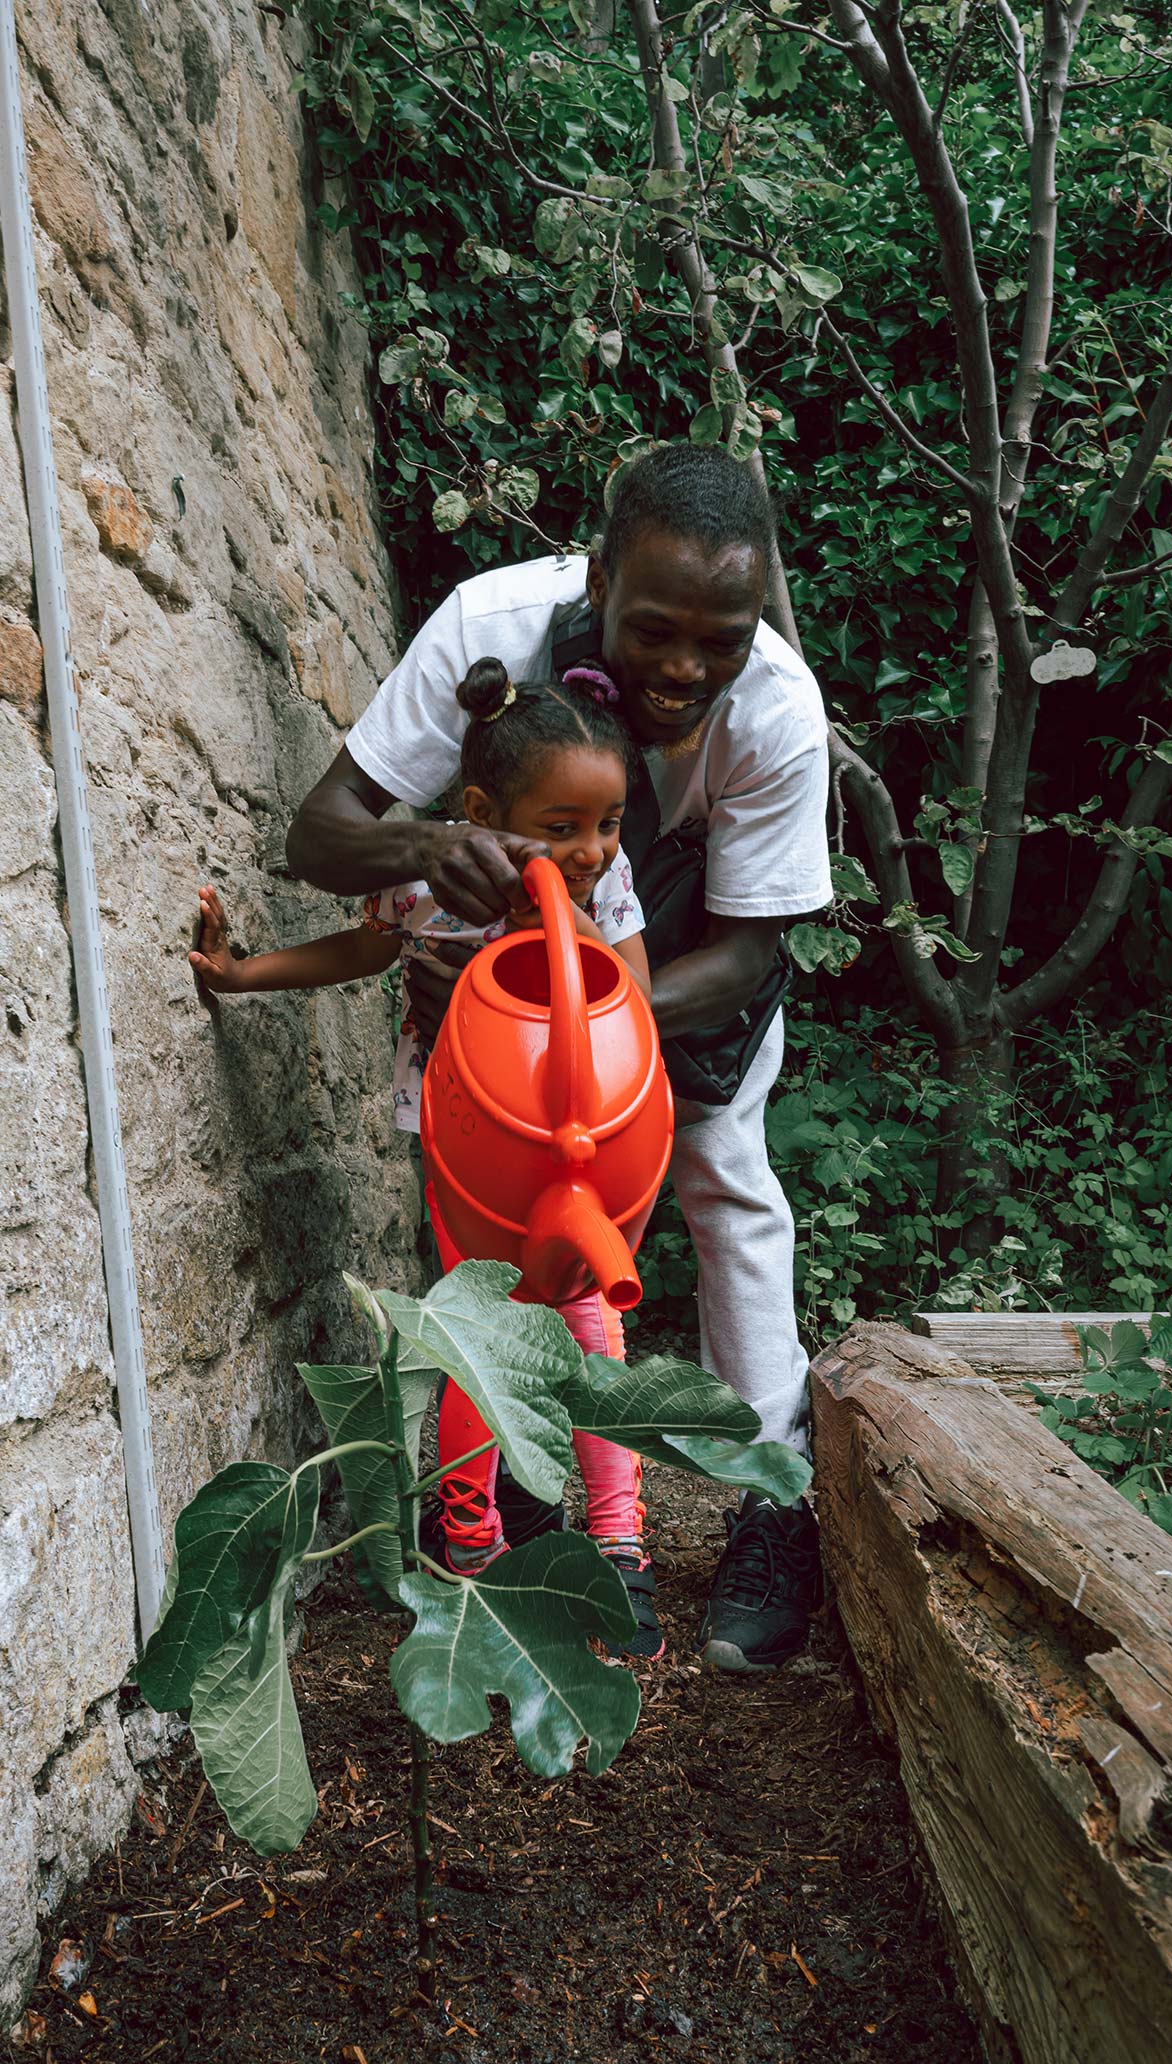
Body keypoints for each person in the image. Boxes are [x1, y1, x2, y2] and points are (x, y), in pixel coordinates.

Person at [285, 445, 833, 1673]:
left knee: (722, 1173)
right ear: (595, 578)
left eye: (723, 637)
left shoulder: (779, 713)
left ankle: (772, 1496)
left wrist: (591, 1007)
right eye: (655, 631)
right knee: (497, 1245)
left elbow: (748, 955)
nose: (687, 667)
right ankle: (523, 1498)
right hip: (510, 996)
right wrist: (429, 846)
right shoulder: (488, 622)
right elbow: (319, 836)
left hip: (671, 973)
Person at [191, 658, 666, 1659]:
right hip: (464, 1152)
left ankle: (620, 1546)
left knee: (592, 1323)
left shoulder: (603, 884)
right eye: (560, 828)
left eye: (609, 822)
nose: (591, 848)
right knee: (476, 1330)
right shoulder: (426, 885)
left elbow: (631, 992)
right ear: (481, 813)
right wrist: (241, 977)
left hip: (574, 1152)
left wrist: (561, 909)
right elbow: (360, 953)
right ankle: (469, 1543)